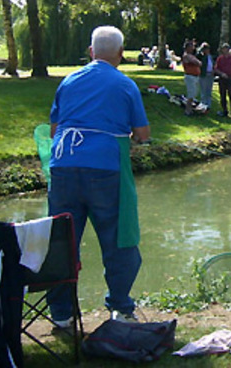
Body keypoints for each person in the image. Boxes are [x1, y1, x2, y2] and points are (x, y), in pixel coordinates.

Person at [47, 25, 150, 325]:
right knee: (119, 237)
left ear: (91, 52)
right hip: (106, 168)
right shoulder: (125, 84)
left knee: (62, 240)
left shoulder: (68, 81)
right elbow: (143, 134)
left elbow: (55, 130)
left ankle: (61, 314)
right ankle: (119, 306)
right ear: (121, 53)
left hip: (63, 166)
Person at [214, 43, 231, 118]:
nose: (225, 50)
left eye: (226, 48)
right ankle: (225, 111)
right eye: (224, 49)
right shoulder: (220, 58)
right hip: (222, 79)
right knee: (222, 96)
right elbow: (216, 69)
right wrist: (221, 73)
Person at [182, 40, 201, 115]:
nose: (193, 48)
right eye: (191, 47)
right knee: (190, 94)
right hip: (190, 76)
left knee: (193, 94)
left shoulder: (191, 55)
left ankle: (191, 110)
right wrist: (198, 62)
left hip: (195, 76)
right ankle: (187, 110)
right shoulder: (187, 55)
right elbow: (197, 62)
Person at [198, 41, 215, 110]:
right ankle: (203, 104)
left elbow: (213, 64)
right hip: (203, 75)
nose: (206, 50)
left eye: (207, 49)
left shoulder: (210, 57)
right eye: (204, 49)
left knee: (209, 90)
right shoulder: (201, 56)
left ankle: (208, 104)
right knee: (203, 90)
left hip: (210, 75)